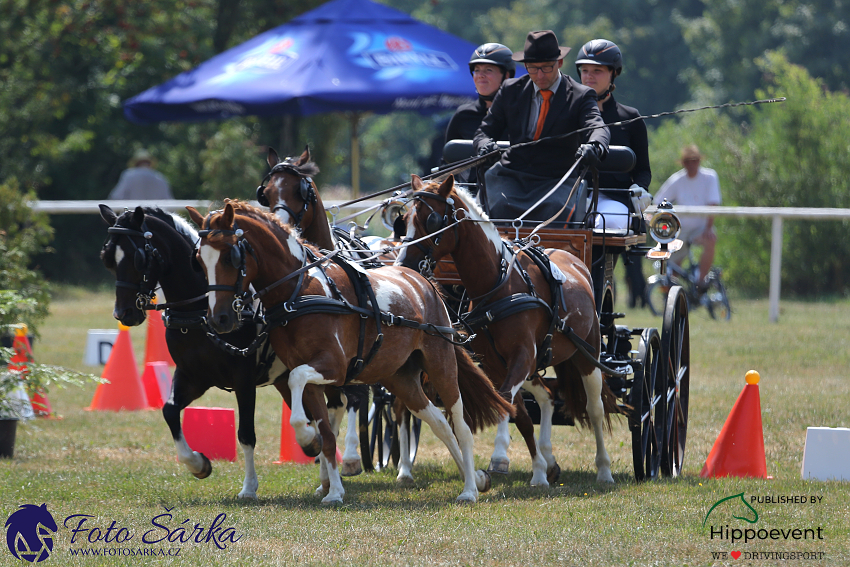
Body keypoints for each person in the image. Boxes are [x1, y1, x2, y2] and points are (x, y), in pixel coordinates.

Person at [473, 30, 609, 220]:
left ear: (559, 63)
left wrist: (595, 146)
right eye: (532, 68)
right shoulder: (510, 90)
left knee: (554, 210)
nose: (539, 75)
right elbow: (484, 132)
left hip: (557, 179)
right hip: (510, 175)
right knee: (496, 207)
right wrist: (484, 145)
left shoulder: (581, 96)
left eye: (546, 67)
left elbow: (597, 126)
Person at [576, 38, 651, 306]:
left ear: (613, 74)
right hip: (570, 197)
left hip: (611, 200)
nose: (589, 76)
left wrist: (639, 189)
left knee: (606, 226)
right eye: (585, 70)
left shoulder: (631, 118)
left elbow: (642, 170)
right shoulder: (567, 115)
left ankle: (595, 301)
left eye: (597, 71)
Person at [443, 43, 514, 185]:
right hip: (472, 195)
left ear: (506, 75)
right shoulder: (463, 115)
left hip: (514, 191)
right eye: (476, 70)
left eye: (488, 70)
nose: (480, 76)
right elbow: (447, 164)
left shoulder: (521, 113)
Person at [654, 144, 722, 291]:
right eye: (688, 161)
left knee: (711, 239)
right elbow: (659, 200)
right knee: (672, 266)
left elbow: (713, 204)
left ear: (699, 161)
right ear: (683, 163)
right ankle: (672, 296)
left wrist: (709, 228)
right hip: (680, 230)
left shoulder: (709, 177)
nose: (692, 164)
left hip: (701, 227)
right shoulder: (677, 180)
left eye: (695, 160)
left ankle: (701, 281)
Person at [108, 149, 173, 200]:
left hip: (133, 215)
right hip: (155, 216)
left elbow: (116, 196)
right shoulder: (160, 177)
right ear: (149, 163)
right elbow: (168, 201)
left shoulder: (129, 175)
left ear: (136, 162)